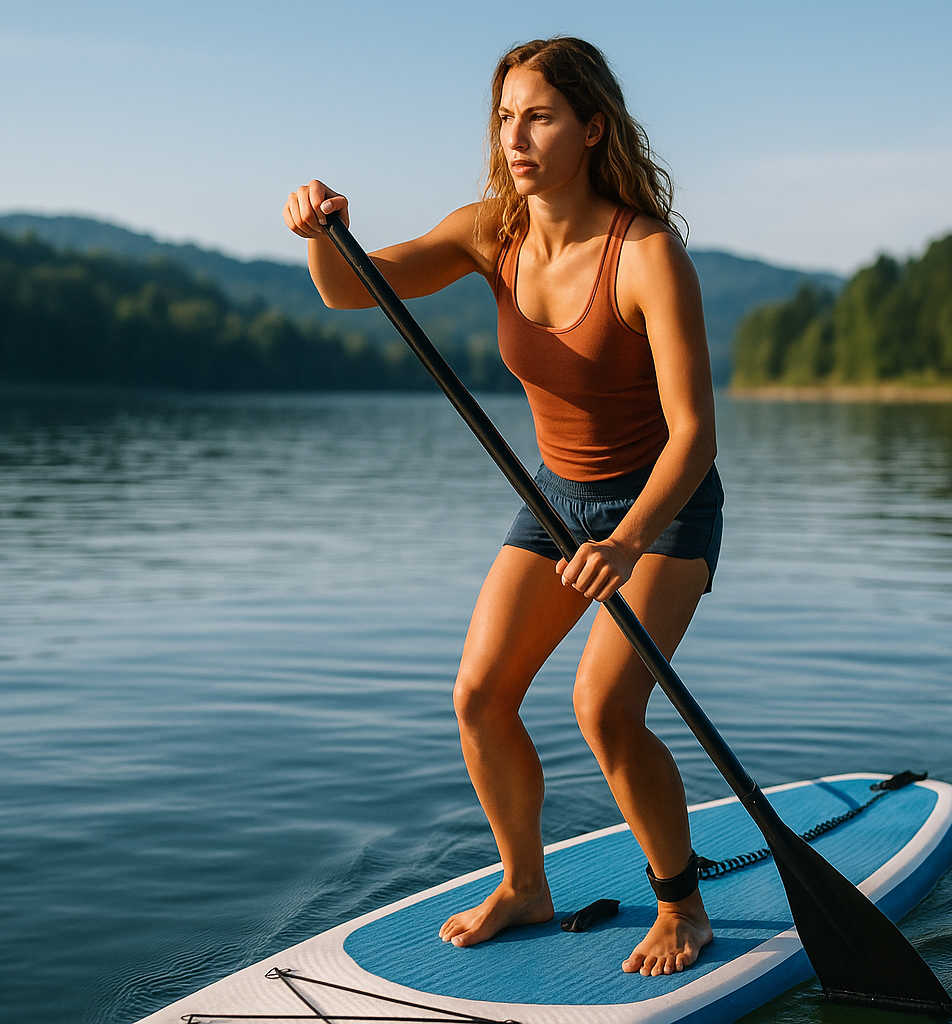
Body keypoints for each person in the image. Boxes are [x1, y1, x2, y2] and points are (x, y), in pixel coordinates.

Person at [284, 36, 722, 977]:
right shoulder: (492, 232)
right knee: (480, 696)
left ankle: (681, 906)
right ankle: (525, 885)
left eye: (539, 117)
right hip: (553, 500)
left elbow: (695, 437)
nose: (514, 138)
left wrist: (628, 540)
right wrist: (324, 233)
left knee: (604, 707)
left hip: (661, 509)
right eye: (505, 118)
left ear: (591, 129)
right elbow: (350, 291)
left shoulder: (647, 255)